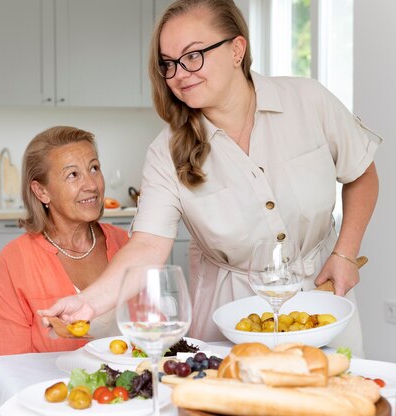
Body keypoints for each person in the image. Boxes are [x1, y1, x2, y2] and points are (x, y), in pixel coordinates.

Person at [39, 0, 381, 356]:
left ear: (237, 49)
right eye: (168, 64)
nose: (179, 74)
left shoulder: (309, 101)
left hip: (324, 299)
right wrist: (89, 303)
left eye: (193, 55)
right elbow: (146, 247)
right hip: (232, 318)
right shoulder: (165, 152)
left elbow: (361, 172)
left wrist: (345, 254)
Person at [0, 126, 129, 359]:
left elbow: (157, 338)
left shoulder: (127, 245)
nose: (91, 184)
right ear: (41, 192)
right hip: (53, 393)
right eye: (73, 175)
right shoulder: (14, 260)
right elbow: (8, 362)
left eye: (94, 168)